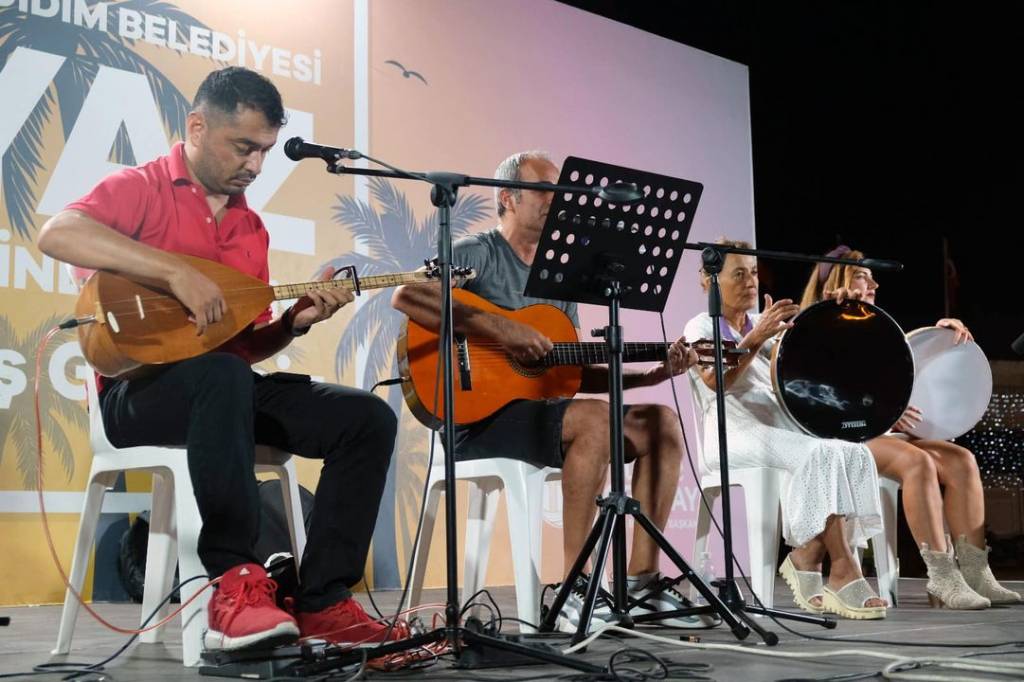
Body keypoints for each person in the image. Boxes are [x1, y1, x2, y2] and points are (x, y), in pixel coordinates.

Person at [37, 67, 400, 650]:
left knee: (365, 418)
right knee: (223, 376)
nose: (255, 166)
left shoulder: (251, 228)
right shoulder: (143, 186)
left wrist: (292, 322)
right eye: (244, 147)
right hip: (135, 395)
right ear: (198, 127)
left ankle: (324, 600)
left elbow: (246, 345)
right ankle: (234, 582)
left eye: (264, 151)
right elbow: (58, 234)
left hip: (222, 385)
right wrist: (174, 271)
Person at [392, 151, 715, 632]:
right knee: (591, 419)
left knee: (660, 423)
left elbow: (570, 372)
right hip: (474, 419)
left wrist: (649, 376)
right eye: (546, 191)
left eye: (562, 192)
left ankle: (643, 581)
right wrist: (503, 330)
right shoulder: (475, 252)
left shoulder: (560, 278)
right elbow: (407, 296)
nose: (559, 201)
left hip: (546, 413)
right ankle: (574, 588)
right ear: (508, 198)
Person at [800, 245, 1020, 608]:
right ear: (837, 283)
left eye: (873, 279)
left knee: (961, 460)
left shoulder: (878, 327)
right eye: (862, 277)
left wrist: (942, 338)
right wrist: (883, 409)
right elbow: (823, 392)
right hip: (844, 436)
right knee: (917, 463)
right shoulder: (815, 328)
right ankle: (942, 576)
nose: (873, 285)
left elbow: (903, 369)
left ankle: (977, 574)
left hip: (885, 432)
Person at [683, 240, 890, 619]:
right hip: (733, 435)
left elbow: (822, 360)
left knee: (853, 450)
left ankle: (807, 556)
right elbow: (715, 381)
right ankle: (843, 569)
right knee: (821, 452)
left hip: (779, 430)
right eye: (739, 274)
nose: (750, 281)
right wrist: (757, 336)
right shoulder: (701, 325)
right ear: (709, 281)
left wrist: (838, 311)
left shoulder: (768, 328)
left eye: (754, 272)